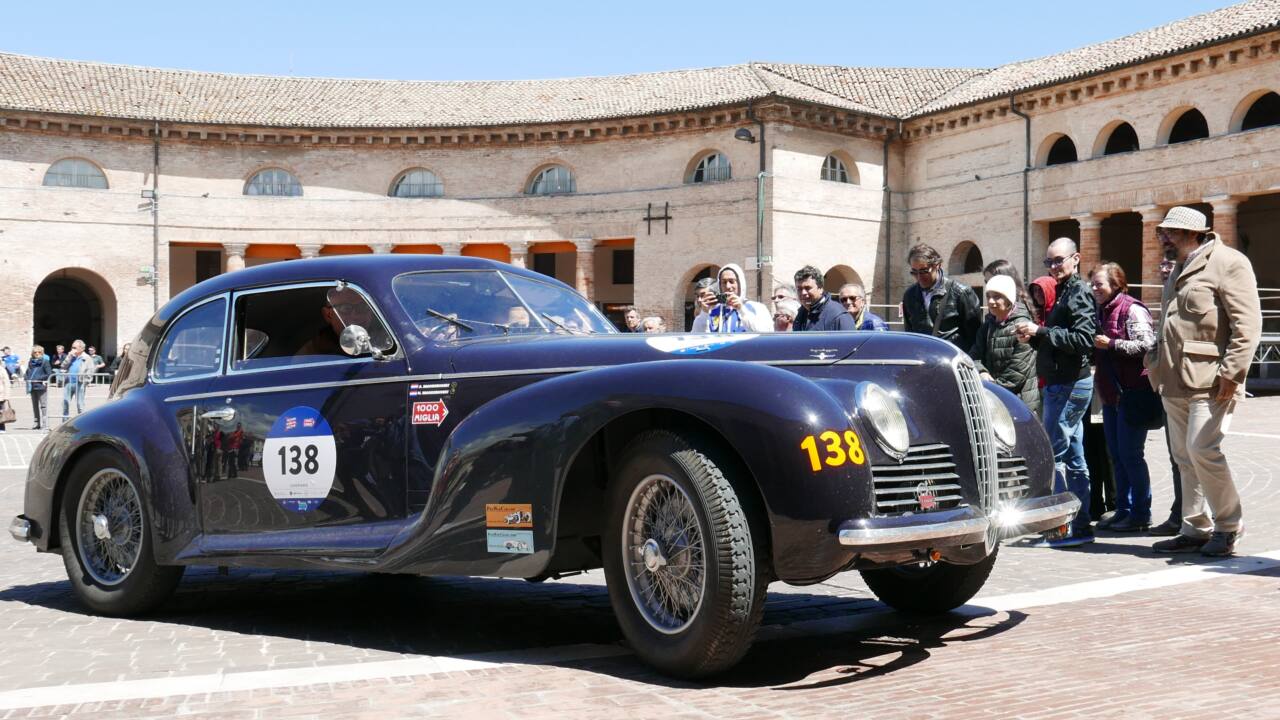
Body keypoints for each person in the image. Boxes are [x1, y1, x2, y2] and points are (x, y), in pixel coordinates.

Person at [1147, 206, 1261, 557]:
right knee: (1183, 456)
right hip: (1173, 378)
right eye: (1162, 232)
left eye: (1171, 232)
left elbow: (1248, 324)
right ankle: (1195, 528)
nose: (1163, 237)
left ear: (1194, 233)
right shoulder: (1178, 268)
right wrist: (1152, 362)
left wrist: (1232, 372)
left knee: (1202, 450)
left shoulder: (1228, 262)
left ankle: (1229, 525)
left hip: (1211, 379)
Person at [1015, 237, 1097, 547]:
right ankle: (1079, 523)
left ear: (1076, 258)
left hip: (1070, 384)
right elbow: (1061, 340)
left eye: (1058, 260)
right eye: (1049, 262)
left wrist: (1041, 332)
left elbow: (1083, 339)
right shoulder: (1063, 291)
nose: (1053, 267)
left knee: (1055, 453)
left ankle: (1065, 526)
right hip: (1060, 381)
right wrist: (1034, 338)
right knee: (1073, 456)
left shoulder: (1079, 292)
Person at [1091, 262, 1157, 532]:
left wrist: (1113, 344)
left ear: (1116, 284)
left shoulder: (1132, 309)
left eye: (1099, 284)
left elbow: (1148, 345)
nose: (1094, 288)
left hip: (1132, 394)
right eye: (1092, 284)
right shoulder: (1101, 310)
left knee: (1131, 455)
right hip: (1111, 396)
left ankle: (1141, 512)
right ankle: (1123, 509)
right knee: (1116, 455)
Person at [1150, 254, 1185, 537]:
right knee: (1177, 456)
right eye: (1162, 264)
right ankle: (1181, 512)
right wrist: (1152, 364)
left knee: (1191, 455)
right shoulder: (1167, 292)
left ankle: (1192, 516)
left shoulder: (1183, 292)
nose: (1163, 269)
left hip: (1188, 384)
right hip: (1167, 383)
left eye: (1169, 264)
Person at [971, 275, 1039, 415]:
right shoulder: (988, 325)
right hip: (993, 399)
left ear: (1009, 299)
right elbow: (973, 356)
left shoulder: (1023, 327)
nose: (991, 301)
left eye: (997, 296)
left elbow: (1016, 374)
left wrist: (991, 388)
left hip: (1018, 403)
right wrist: (982, 372)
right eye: (988, 296)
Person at [901, 243, 982, 351]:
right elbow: (909, 334)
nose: (919, 277)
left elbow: (975, 337)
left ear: (937, 265)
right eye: (914, 272)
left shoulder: (961, 293)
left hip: (951, 360)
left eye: (924, 271)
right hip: (923, 360)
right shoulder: (909, 296)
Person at [702, 264, 771, 333]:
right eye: (724, 282)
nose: (728, 286)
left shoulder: (757, 308)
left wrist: (741, 309)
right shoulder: (713, 310)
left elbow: (766, 334)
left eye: (731, 281)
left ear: (740, 283)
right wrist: (704, 313)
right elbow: (697, 337)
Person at [793, 265, 856, 331]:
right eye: (799, 289)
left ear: (820, 288)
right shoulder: (801, 313)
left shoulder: (839, 316)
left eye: (807, 288)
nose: (803, 293)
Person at [60, 339, 94, 419]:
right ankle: (64, 423)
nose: (73, 349)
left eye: (75, 347)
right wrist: (69, 357)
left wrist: (86, 381)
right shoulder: (71, 356)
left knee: (80, 405)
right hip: (69, 383)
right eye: (72, 347)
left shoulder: (87, 358)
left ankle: (81, 423)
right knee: (65, 403)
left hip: (80, 383)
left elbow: (91, 370)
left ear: (82, 348)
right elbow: (63, 366)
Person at [25, 346, 51, 430]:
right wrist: (26, 377)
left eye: (39, 352)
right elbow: (27, 372)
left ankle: (45, 424)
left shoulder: (45, 362)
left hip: (41, 386)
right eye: (35, 352)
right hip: (32, 386)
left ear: (42, 353)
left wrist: (39, 378)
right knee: (34, 406)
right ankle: (36, 423)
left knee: (43, 406)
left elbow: (49, 374)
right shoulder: (30, 362)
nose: (37, 354)